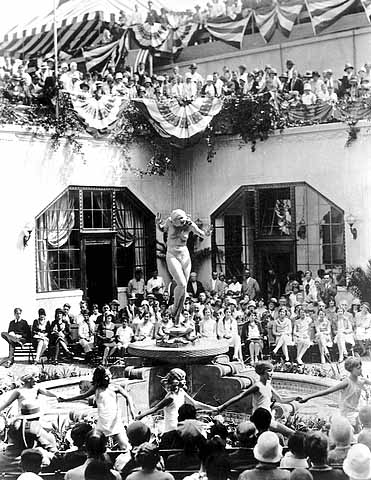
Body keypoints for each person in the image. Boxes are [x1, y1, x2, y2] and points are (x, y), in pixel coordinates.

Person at [156, 210, 211, 324]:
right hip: (172, 254)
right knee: (181, 283)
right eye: (179, 220)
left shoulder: (189, 224)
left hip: (184, 255)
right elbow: (162, 229)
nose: (182, 222)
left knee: (184, 289)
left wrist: (207, 233)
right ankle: (175, 308)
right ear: (174, 220)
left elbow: (201, 233)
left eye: (183, 219)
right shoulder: (170, 222)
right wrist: (158, 223)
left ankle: (176, 317)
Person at [59, 366, 135, 449]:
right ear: (100, 377)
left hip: (114, 421)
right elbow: (82, 396)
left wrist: (132, 411)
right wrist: (65, 399)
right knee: (97, 446)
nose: (109, 377)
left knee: (125, 446)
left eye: (109, 375)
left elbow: (128, 397)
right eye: (106, 376)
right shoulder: (96, 388)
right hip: (103, 421)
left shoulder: (115, 387)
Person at [217, 361, 296, 436]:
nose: (272, 373)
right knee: (291, 433)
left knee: (288, 434)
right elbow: (239, 397)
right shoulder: (257, 386)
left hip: (268, 418)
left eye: (272, 371)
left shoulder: (268, 386)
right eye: (269, 371)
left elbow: (281, 399)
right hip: (260, 419)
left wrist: (295, 398)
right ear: (262, 372)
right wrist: (221, 407)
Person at [300, 357, 371, 431]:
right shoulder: (346, 382)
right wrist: (308, 397)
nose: (361, 370)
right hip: (347, 414)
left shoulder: (362, 380)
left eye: (360, 367)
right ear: (351, 369)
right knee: (354, 432)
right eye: (358, 368)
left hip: (356, 411)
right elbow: (328, 391)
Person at [135, 368, 216, 432]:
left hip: (180, 425)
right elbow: (155, 408)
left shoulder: (181, 392)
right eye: (182, 378)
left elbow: (195, 403)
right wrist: (141, 416)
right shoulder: (170, 397)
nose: (184, 381)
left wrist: (213, 408)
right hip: (172, 428)